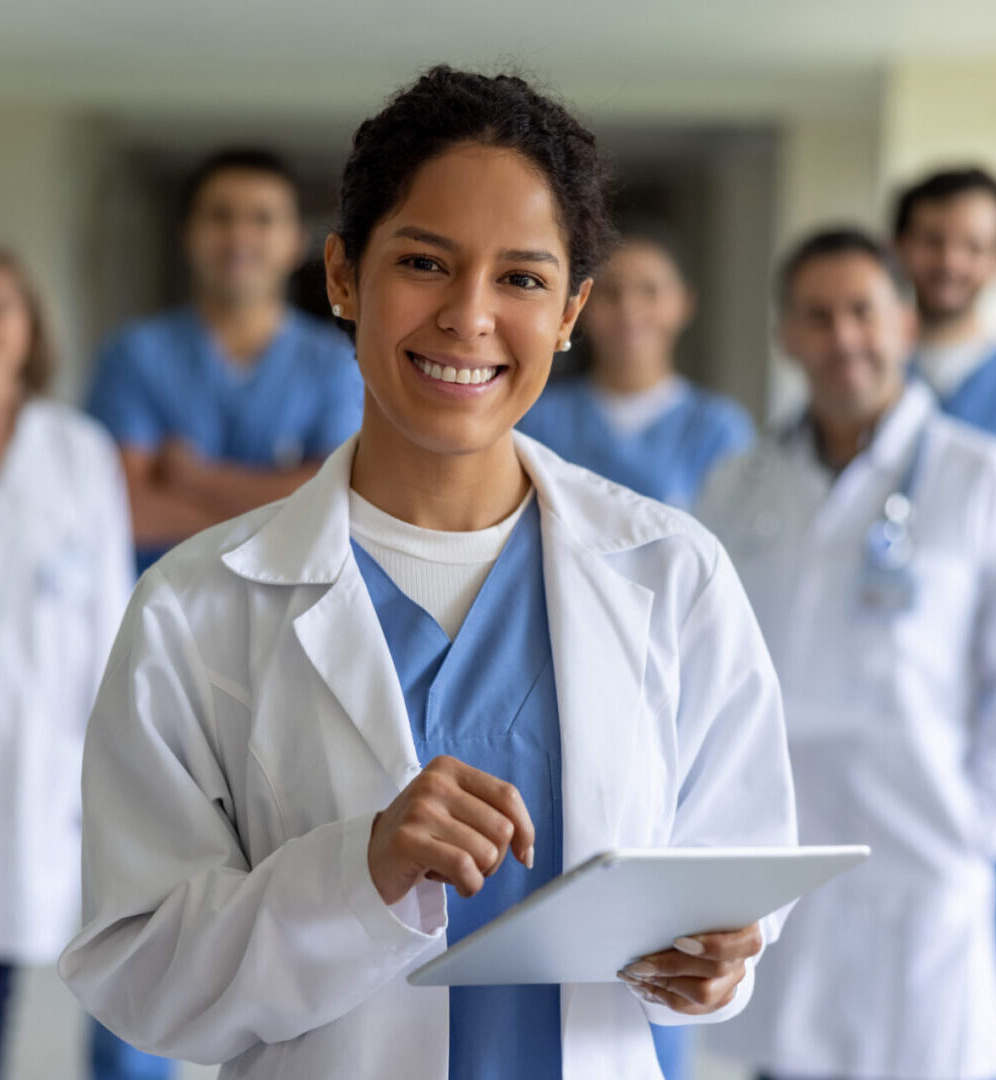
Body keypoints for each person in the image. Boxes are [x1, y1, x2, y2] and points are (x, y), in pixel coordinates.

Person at [59, 67, 797, 1080]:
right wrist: (356, 875)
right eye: (425, 262)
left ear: (573, 308)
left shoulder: (673, 575)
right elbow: (140, 974)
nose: (470, 316)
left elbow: (735, 875)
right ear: (343, 276)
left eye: (524, 279)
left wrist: (716, 965)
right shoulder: (199, 605)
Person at [699, 228, 996, 1079]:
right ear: (786, 336)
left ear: (905, 321)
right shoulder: (737, 486)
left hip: (926, 865)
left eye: (862, 312)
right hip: (782, 867)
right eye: (816, 317)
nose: (843, 339)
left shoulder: (978, 481)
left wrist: (977, 820)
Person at [0, 238, 133, 1079]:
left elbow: (109, 620)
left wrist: (104, 771)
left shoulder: (77, 454)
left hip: (34, 767)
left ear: (30, 329)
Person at [88, 145, 364, 575]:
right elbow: (125, 507)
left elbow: (339, 501)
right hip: (161, 610)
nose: (239, 237)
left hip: (290, 615)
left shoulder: (335, 365)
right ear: (187, 234)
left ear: (297, 242)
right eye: (219, 216)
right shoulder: (135, 354)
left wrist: (195, 478)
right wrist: (278, 508)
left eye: (262, 219)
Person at [518, 228, 753, 509]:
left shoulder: (718, 429)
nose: (628, 309)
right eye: (610, 292)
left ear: (684, 303)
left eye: (649, 291)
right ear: (581, 305)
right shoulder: (536, 417)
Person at [893, 166, 996, 430]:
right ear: (899, 247)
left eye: (973, 246)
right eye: (932, 241)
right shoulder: (867, 369)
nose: (950, 263)